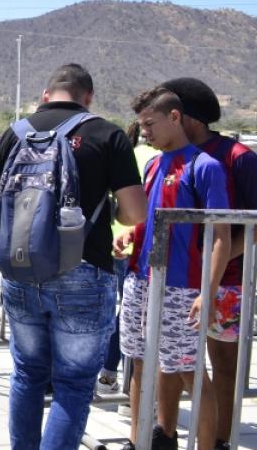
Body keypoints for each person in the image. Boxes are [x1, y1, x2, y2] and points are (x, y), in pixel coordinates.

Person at [0, 63, 147, 450]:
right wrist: (107, 212)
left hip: (20, 271)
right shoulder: (107, 134)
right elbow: (135, 212)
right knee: (73, 385)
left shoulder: (14, 134)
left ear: (46, 95)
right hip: (83, 271)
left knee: (27, 374)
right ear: (87, 97)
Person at [156, 77, 257, 449]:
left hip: (228, 281)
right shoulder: (170, 156)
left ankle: (220, 438)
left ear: (187, 116)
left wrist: (224, 256)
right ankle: (165, 432)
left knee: (222, 361)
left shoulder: (237, 156)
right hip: (177, 278)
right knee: (173, 359)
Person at [114, 86, 231, 450]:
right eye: (141, 125)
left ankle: (206, 444)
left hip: (181, 287)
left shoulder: (205, 167)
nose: (144, 132)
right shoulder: (152, 163)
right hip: (139, 280)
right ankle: (137, 441)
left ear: (175, 118)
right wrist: (131, 234)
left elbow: (220, 237)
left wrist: (207, 293)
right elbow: (154, 217)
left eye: (150, 124)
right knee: (136, 362)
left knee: (189, 372)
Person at [97, 121, 159, 397]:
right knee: (139, 319)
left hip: (117, 241)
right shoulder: (158, 157)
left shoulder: (130, 153)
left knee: (124, 314)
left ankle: (110, 375)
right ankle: (130, 387)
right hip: (143, 244)